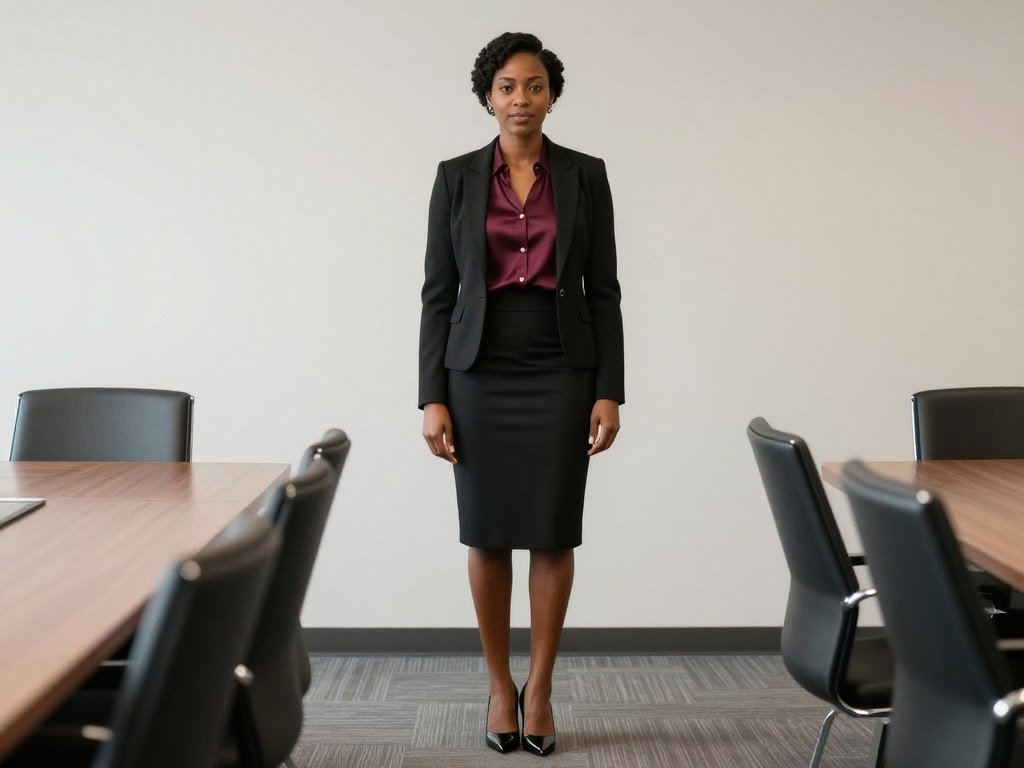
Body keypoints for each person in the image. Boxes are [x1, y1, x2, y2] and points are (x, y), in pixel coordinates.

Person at [418, 31, 624, 757]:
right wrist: (431, 395)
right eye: (507, 87)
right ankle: (498, 685)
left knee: (552, 528)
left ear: (551, 95)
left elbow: (605, 293)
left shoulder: (586, 175)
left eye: (534, 86)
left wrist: (609, 389)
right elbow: (437, 295)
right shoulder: (455, 178)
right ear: (486, 97)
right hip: (476, 371)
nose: (520, 100)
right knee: (485, 529)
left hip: (563, 368)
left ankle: (539, 688)